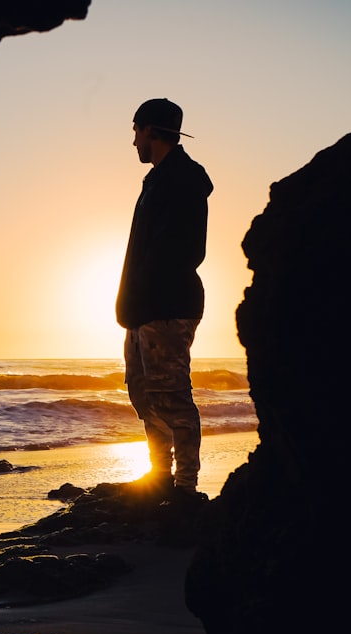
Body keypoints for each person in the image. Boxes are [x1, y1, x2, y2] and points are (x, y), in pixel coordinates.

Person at [115, 98, 213, 499]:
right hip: (142, 309)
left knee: (171, 396)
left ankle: (184, 487)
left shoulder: (183, 179)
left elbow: (185, 251)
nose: (133, 141)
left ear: (151, 131)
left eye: (135, 131)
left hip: (169, 307)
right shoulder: (156, 180)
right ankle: (159, 476)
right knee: (143, 393)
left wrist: (151, 291)